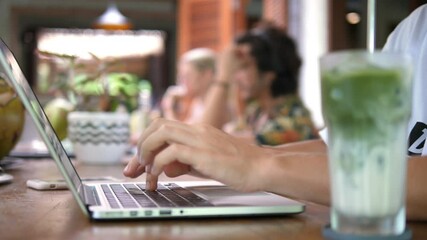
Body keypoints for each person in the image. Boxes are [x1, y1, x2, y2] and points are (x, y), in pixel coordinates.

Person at [124, 4, 427, 221]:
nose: (235, 77)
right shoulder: (414, 28)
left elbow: (256, 153)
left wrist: (254, 161)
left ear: (268, 75)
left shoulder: (288, 119)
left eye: (241, 68)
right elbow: (336, 148)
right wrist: (222, 158)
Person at [202, 23, 318, 145]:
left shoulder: (293, 122)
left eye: (244, 67)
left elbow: (205, 142)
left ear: (269, 73)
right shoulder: (257, 111)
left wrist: (223, 77)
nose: (235, 76)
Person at [161, 48, 216, 124]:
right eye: (180, 77)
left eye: (186, 76)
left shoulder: (216, 106)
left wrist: (168, 107)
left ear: (206, 75)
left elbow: (180, 135)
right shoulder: (198, 103)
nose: (180, 82)